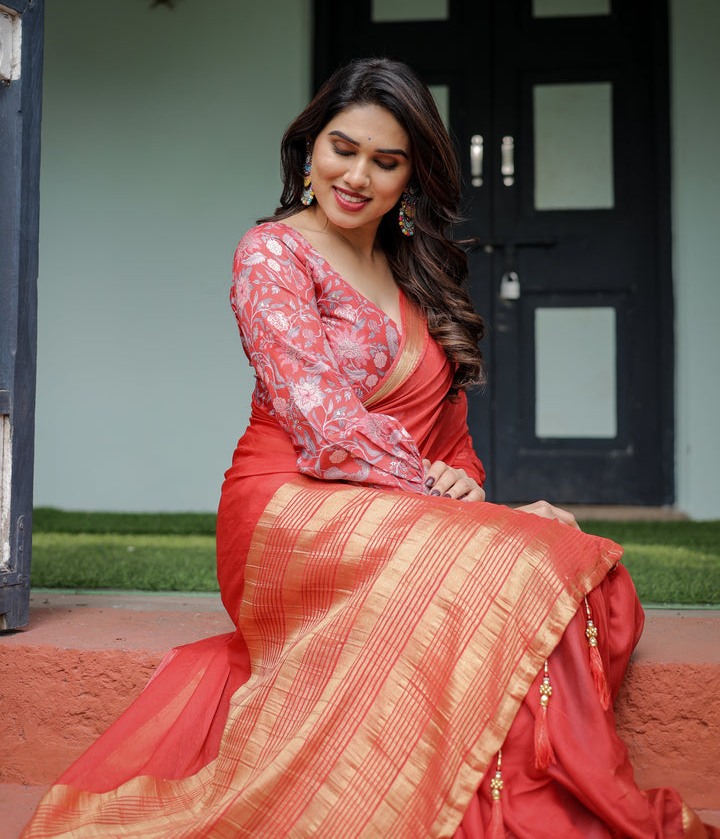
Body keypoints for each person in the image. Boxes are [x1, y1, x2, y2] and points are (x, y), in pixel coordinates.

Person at [23, 58, 718, 839]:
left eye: (386, 162)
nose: (357, 176)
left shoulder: (412, 269)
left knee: (582, 564)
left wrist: (461, 486)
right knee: (532, 559)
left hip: (395, 508)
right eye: (342, 149)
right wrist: (455, 502)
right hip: (289, 509)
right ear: (308, 151)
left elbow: (450, 442)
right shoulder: (273, 255)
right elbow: (324, 431)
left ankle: (494, 792)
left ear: (411, 177)